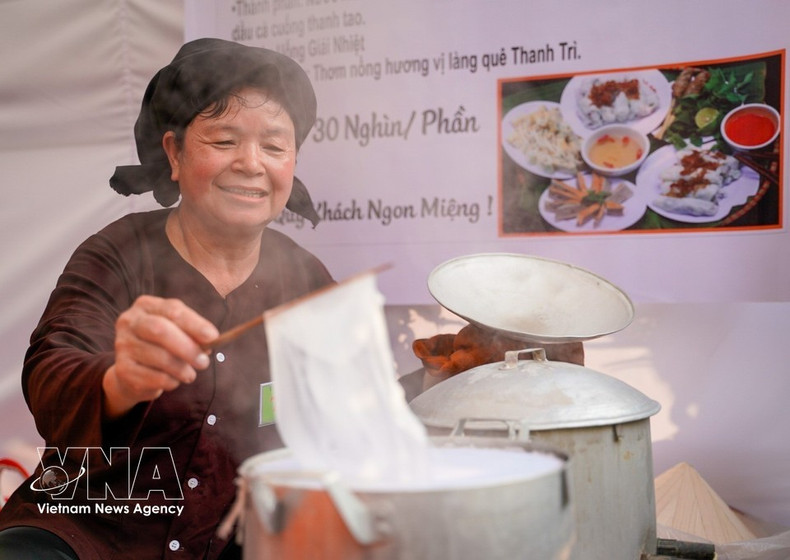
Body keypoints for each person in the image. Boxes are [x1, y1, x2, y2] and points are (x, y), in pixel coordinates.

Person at [0, 38, 334, 559]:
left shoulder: (306, 279)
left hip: (234, 539)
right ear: (174, 152)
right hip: (88, 529)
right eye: (224, 140)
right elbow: (51, 370)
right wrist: (119, 380)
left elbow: (345, 407)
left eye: (274, 146)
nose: (251, 163)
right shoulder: (120, 252)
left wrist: (441, 381)